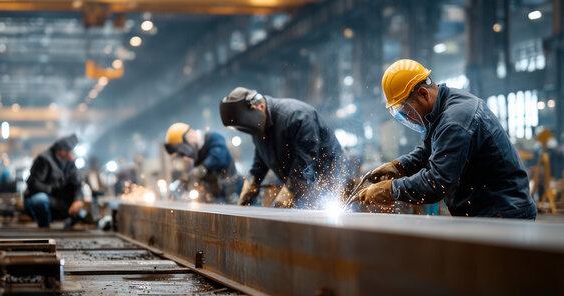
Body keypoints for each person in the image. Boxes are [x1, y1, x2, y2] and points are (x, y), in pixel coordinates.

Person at [353, 59, 537, 219]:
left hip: (503, 214)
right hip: (485, 210)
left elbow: (436, 183)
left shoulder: (455, 120)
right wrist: (399, 167)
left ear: (424, 94)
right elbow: (428, 151)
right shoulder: (439, 112)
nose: (407, 119)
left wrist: (391, 190)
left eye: (406, 112)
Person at [220, 87, 349, 208]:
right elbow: (261, 160)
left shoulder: (296, 116)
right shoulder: (258, 126)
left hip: (329, 180)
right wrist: (251, 186)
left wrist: (286, 195)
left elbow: (305, 164)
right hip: (300, 181)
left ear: (260, 107)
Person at [165, 122, 242, 203]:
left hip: (233, 192)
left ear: (189, 134)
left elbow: (219, 158)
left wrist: (202, 168)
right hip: (215, 197)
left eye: (183, 152)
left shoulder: (214, 138)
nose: (185, 156)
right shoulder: (196, 154)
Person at [23, 134, 84, 227]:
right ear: (61, 150)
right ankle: (44, 227)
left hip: (58, 202)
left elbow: (77, 183)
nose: (71, 153)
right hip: (40, 200)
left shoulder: (69, 162)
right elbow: (33, 183)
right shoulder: (44, 159)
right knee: (40, 200)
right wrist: (52, 189)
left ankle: (67, 226)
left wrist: (78, 199)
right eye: (68, 151)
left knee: (81, 209)